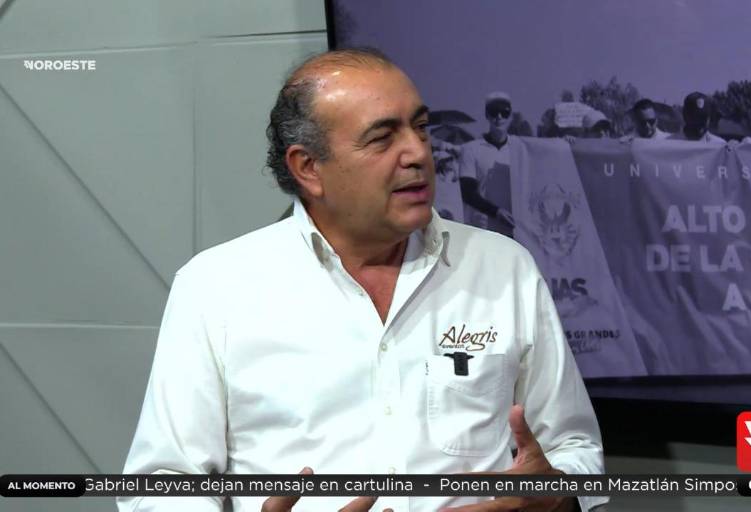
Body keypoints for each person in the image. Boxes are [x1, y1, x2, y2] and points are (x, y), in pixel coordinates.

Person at [118, 48, 606, 512]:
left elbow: (573, 446)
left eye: (421, 128)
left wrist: (554, 496)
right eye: (382, 138)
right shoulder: (216, 287)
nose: (418, 153)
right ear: (308, 168)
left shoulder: (503, 266)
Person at [458, 92, 517, 237]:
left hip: (514, 228)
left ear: (511, 116)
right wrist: (496, 212)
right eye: (494, 111)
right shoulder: (471, 149)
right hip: (482, 228)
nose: (499, 117)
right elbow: (467, 193)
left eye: (504, 112)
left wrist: (567, 143)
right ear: (487, 115)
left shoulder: (519, 149)